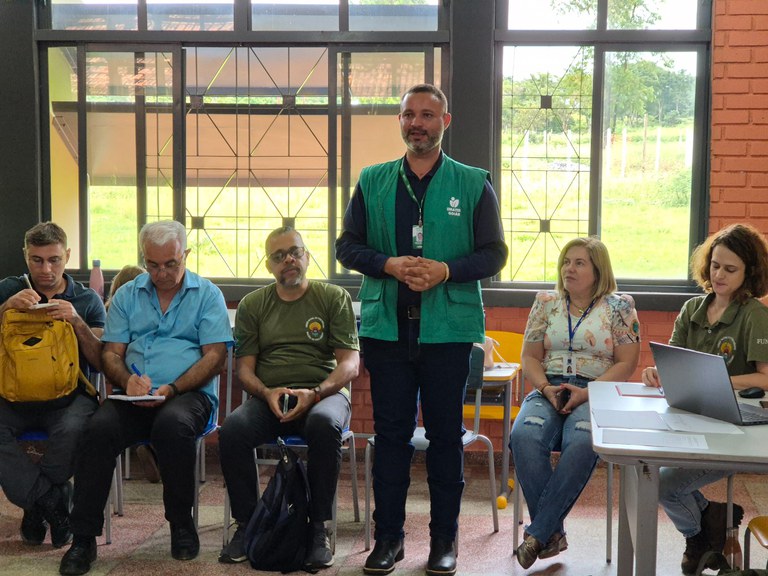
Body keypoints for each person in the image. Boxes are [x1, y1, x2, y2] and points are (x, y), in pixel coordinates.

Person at [335, 83, 508, 576]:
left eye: (428, 115)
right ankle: (388, 539)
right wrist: (387, 263)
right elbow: (347, 247)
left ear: (444, 123)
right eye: (409, 115)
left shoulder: (474, 183)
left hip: (447, 332)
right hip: (387, 331)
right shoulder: (373, 181)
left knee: (445, 438)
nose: (418, 123)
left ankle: (443, 543)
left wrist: (445, 271)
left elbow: (494, 254)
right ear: (400, 121)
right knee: (389, 437)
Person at [59, 220, 232, 576]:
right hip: (133, 395)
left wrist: (172, 389)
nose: (162, 273)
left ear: (186, 254)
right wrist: (128, 380)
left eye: (171, 264)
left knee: (172, 425)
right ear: (144, 259)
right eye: (153, 265)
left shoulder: (207, 294)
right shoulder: (127, 295)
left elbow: (215, 356)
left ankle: (181, 524)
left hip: (188, 395)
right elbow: (110, 353)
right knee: (98, 429)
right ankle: (83, 538)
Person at [217, 226, 360, 570]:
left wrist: (315, 393)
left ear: (307, 257)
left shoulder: (332, 297)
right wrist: (267, 393)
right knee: (233, 429)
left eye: (294, 252)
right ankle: (249, 524)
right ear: (269, 266)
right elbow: (245, 371)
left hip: (323, 393)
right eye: (279, 256)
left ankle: (317, 529)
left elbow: (350, 364)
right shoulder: (254, 305)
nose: (289, 260)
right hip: (272, 397)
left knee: (325, 425)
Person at [641, 223, 768, 575]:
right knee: (650, 474)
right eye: (715, 265)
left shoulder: (755, 315)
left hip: (735, 430)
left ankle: (697, 537)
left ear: (750, 273)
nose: (719, 274)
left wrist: (720, 380)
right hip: (689, 419)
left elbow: (766, 378)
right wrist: (656, 372)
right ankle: (711, 519)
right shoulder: (692, 308)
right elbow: (673, 362)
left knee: (664, 484)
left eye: (730, 269)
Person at [509, 236, 640, 569]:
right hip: (549, 386)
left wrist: (590, 391)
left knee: (583, 442)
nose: (569, 268)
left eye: (579, 262)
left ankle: (538, 533)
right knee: (523, 436)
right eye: (566, 261)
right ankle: (551, 534)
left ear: (598, 270)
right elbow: (529, 356)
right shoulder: (545, 302)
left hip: (595, 389)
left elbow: (626, 362)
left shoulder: (619, 306)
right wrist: (544, 387)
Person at [0, 222, 106, 549]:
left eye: (54, 260)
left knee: (75, 429)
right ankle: (50, 499)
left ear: (68, 256)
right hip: (12, 397)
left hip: (69, 397)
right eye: (37, 260)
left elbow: (102, 361)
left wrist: (76, 320)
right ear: (25, 257)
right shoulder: (7, 290)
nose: (46, 269)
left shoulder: (87, 299)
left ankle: (36, 506)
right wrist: (4, 309)